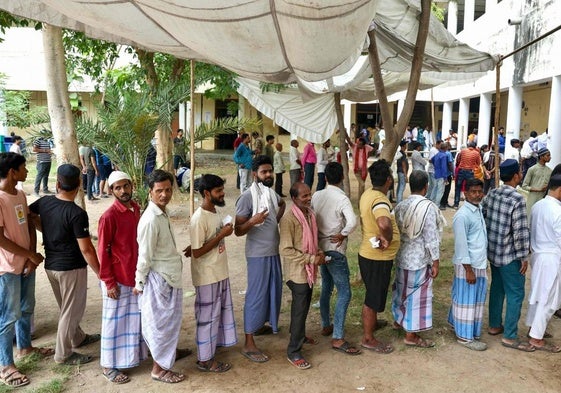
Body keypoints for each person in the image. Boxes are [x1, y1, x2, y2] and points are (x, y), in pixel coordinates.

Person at [29, 164, 101, 364]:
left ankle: (77, 338)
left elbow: (28, 214)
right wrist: (100, 273)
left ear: (58, 183)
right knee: (71, 311)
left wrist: (45, 229)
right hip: (71, 268)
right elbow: (87, 249)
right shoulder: (76, 213)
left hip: (51, 266)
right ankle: (63, 354)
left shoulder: (44, 202)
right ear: (79, 184)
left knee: (66, 308)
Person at [0, 152, 50, 389]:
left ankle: (25, 348)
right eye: (23, 168)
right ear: (12, 172)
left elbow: (29, 223)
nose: (28, 171)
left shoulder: (19, 194)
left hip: (26, 263)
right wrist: (28, 255)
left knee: (26, 307)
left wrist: (32, 256)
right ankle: (5, 366)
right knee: (8, 316)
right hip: (7, 267)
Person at [134, 170, 185, 383]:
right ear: (150, 192)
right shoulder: (150, 220)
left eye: (168, 189)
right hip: (159, 280)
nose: (164, 194)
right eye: (159, 191)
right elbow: (144, 255)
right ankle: (158, 369)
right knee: (160, 326)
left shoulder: (161, 213)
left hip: (170, 277)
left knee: (169, 324)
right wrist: (139, 282)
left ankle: (165, 361)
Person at [97, 171, 149, 384]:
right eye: (117, 188)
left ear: (132, 185)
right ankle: (108, 365)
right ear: (111, 191)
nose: (123, 191)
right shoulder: (108, 217)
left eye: (125, 186)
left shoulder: (136, 208)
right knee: (113, 323)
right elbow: (102, 251)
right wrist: (109, 282)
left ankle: (131, 359)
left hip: (134, 275)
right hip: (117, 278)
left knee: (133, 319)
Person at [235, 155, 286, 363]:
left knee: (273, 292)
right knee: (255, 296)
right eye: (264, 172)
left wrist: (275, 220)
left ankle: (260, 326)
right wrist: (253, 221)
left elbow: (282, 205)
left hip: (273, 252)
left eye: (270, 171)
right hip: (257, 254)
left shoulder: (271, 193)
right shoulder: (247, 197)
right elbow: (238, 230)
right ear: (255, 174)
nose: (268, 175)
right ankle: (248, 343)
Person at [480, 159, 533, 352]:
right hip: (510, 255)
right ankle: (510, 336)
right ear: (516, 176)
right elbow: (519, 232)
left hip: (493, 252)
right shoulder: (517, 199)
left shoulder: (492, 194)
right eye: (519, 172)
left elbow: (483, 213)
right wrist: (523, 257)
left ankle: (495, 325)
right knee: (516, 293)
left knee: (497, 288)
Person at [188, 174, 236, 373]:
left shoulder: (214, 211)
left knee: (217, 315)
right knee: (207, 317)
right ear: (207, 193)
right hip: (207, 275)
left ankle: (211, 348)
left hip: (219, 272)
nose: (222, 194)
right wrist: (221, 235)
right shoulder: (199, 218)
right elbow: (197, 253)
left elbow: (200, 243)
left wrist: (221, 234)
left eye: (222, 190)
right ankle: (205, 360)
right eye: (218, 191)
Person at [311, 162, 360, 355]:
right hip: (335, 249)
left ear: (325, 178)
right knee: (344, 292)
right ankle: (338, 337)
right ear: (341, 177)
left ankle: (326, 324)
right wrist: (344, 233)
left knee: (326, 288)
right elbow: (353, 221)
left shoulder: (317, 195)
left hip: (321, 249)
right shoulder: (342, 198)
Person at [392, 170, 444, 348]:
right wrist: (435, 261)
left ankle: (399, 320)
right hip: (419, 259)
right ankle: (411, 335)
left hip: (401, 256)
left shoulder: (401, 205)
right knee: (416, 296)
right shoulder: (428, 207)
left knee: (401, 291)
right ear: (426, 187)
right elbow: (431, 237)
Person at [280, 182, 325, 369]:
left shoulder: (310, 214)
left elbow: (313, 240)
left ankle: (298, 333)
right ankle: (294, 351)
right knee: (300, 310)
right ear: (294, 198)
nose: (308, 198)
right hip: (297, 272)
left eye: (309, 194)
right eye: (304, 196)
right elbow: (285, 249)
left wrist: (319, 252)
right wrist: (311, 259)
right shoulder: (289, 219)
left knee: (304, 305)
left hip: (308, 270)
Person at [358, 159, 399, 354]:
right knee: (373, 297)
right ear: (389, 180)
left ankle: (372, 324)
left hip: (369, 254)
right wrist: (388, 239)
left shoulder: (368, 194)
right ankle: (368, 338)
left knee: (373, 294)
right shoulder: (380, 200)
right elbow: (383, 223)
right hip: (377, 257)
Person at [448, 178, 488, 351]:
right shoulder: (462, 216)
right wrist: (468, 271)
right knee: (467, 301)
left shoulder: (477, 209)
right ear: (465, 193)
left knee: (473, 299)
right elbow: (461, 246)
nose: (477, 194)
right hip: (469, 265)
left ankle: (457, 325)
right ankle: (465, 337)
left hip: (479, 262)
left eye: (480, 191)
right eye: (473, 191)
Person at [525, 174, 561, 352]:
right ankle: (536, 338)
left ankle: (533, 327)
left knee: (538, 295)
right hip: (552, 258)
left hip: (538, 255)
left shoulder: (538, 205)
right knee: (549, 300)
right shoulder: (558, 211)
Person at [521, 147, 552, 217]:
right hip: (532, 201)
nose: (550, 157)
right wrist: (539, 189)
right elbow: (524, 186)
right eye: (548, 155)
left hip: (544, 201)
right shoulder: (532, 169)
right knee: (530, 220)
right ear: (541, 157)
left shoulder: (550, 171)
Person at [453, 142, 481, 209]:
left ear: (468, 145)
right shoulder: (476, 153)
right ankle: (469, 203)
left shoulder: (462, 151)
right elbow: (478, 163)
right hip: (470, 171)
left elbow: (458, 160)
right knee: (470, 188)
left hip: (461, 170)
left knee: (458, 187)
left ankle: (456, 204)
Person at [32, 129, 53, 196]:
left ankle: (45, 189)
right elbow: (34, 149)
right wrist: (45, 150)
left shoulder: (48, 141)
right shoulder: (38, 141)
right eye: (47, 134)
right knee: (39, 176)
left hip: (48, 161)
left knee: (46, 176)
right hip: (41, 161)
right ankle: (36, 191)